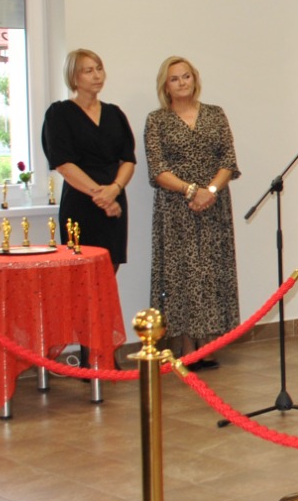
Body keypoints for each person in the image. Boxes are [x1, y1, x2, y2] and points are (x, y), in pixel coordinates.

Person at [144, 57, 240, 372]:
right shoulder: (157, 120)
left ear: (195, 79)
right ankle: (186, 346)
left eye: (186, 76)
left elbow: (228, 160)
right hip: (176, 209)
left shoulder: (215, 114)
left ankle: (209, 345)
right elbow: (157, 169)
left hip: (213, 206)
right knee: (183, 276)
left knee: (210, 273)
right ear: (165, 86)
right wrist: (190, 191)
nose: (182, 82)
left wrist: (209, 191)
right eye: (175, 78)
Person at [42, 48, 136, 267]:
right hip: (81, 203)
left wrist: (114, 190)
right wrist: (101, 197)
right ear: (74, 77)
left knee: (109, 271)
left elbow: (128, 160)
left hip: (114, 200)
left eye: (99, 69)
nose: (97, 76)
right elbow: (64, 165)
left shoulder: (114, 113)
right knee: (79, 273)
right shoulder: (59, 113)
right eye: (88, 71)